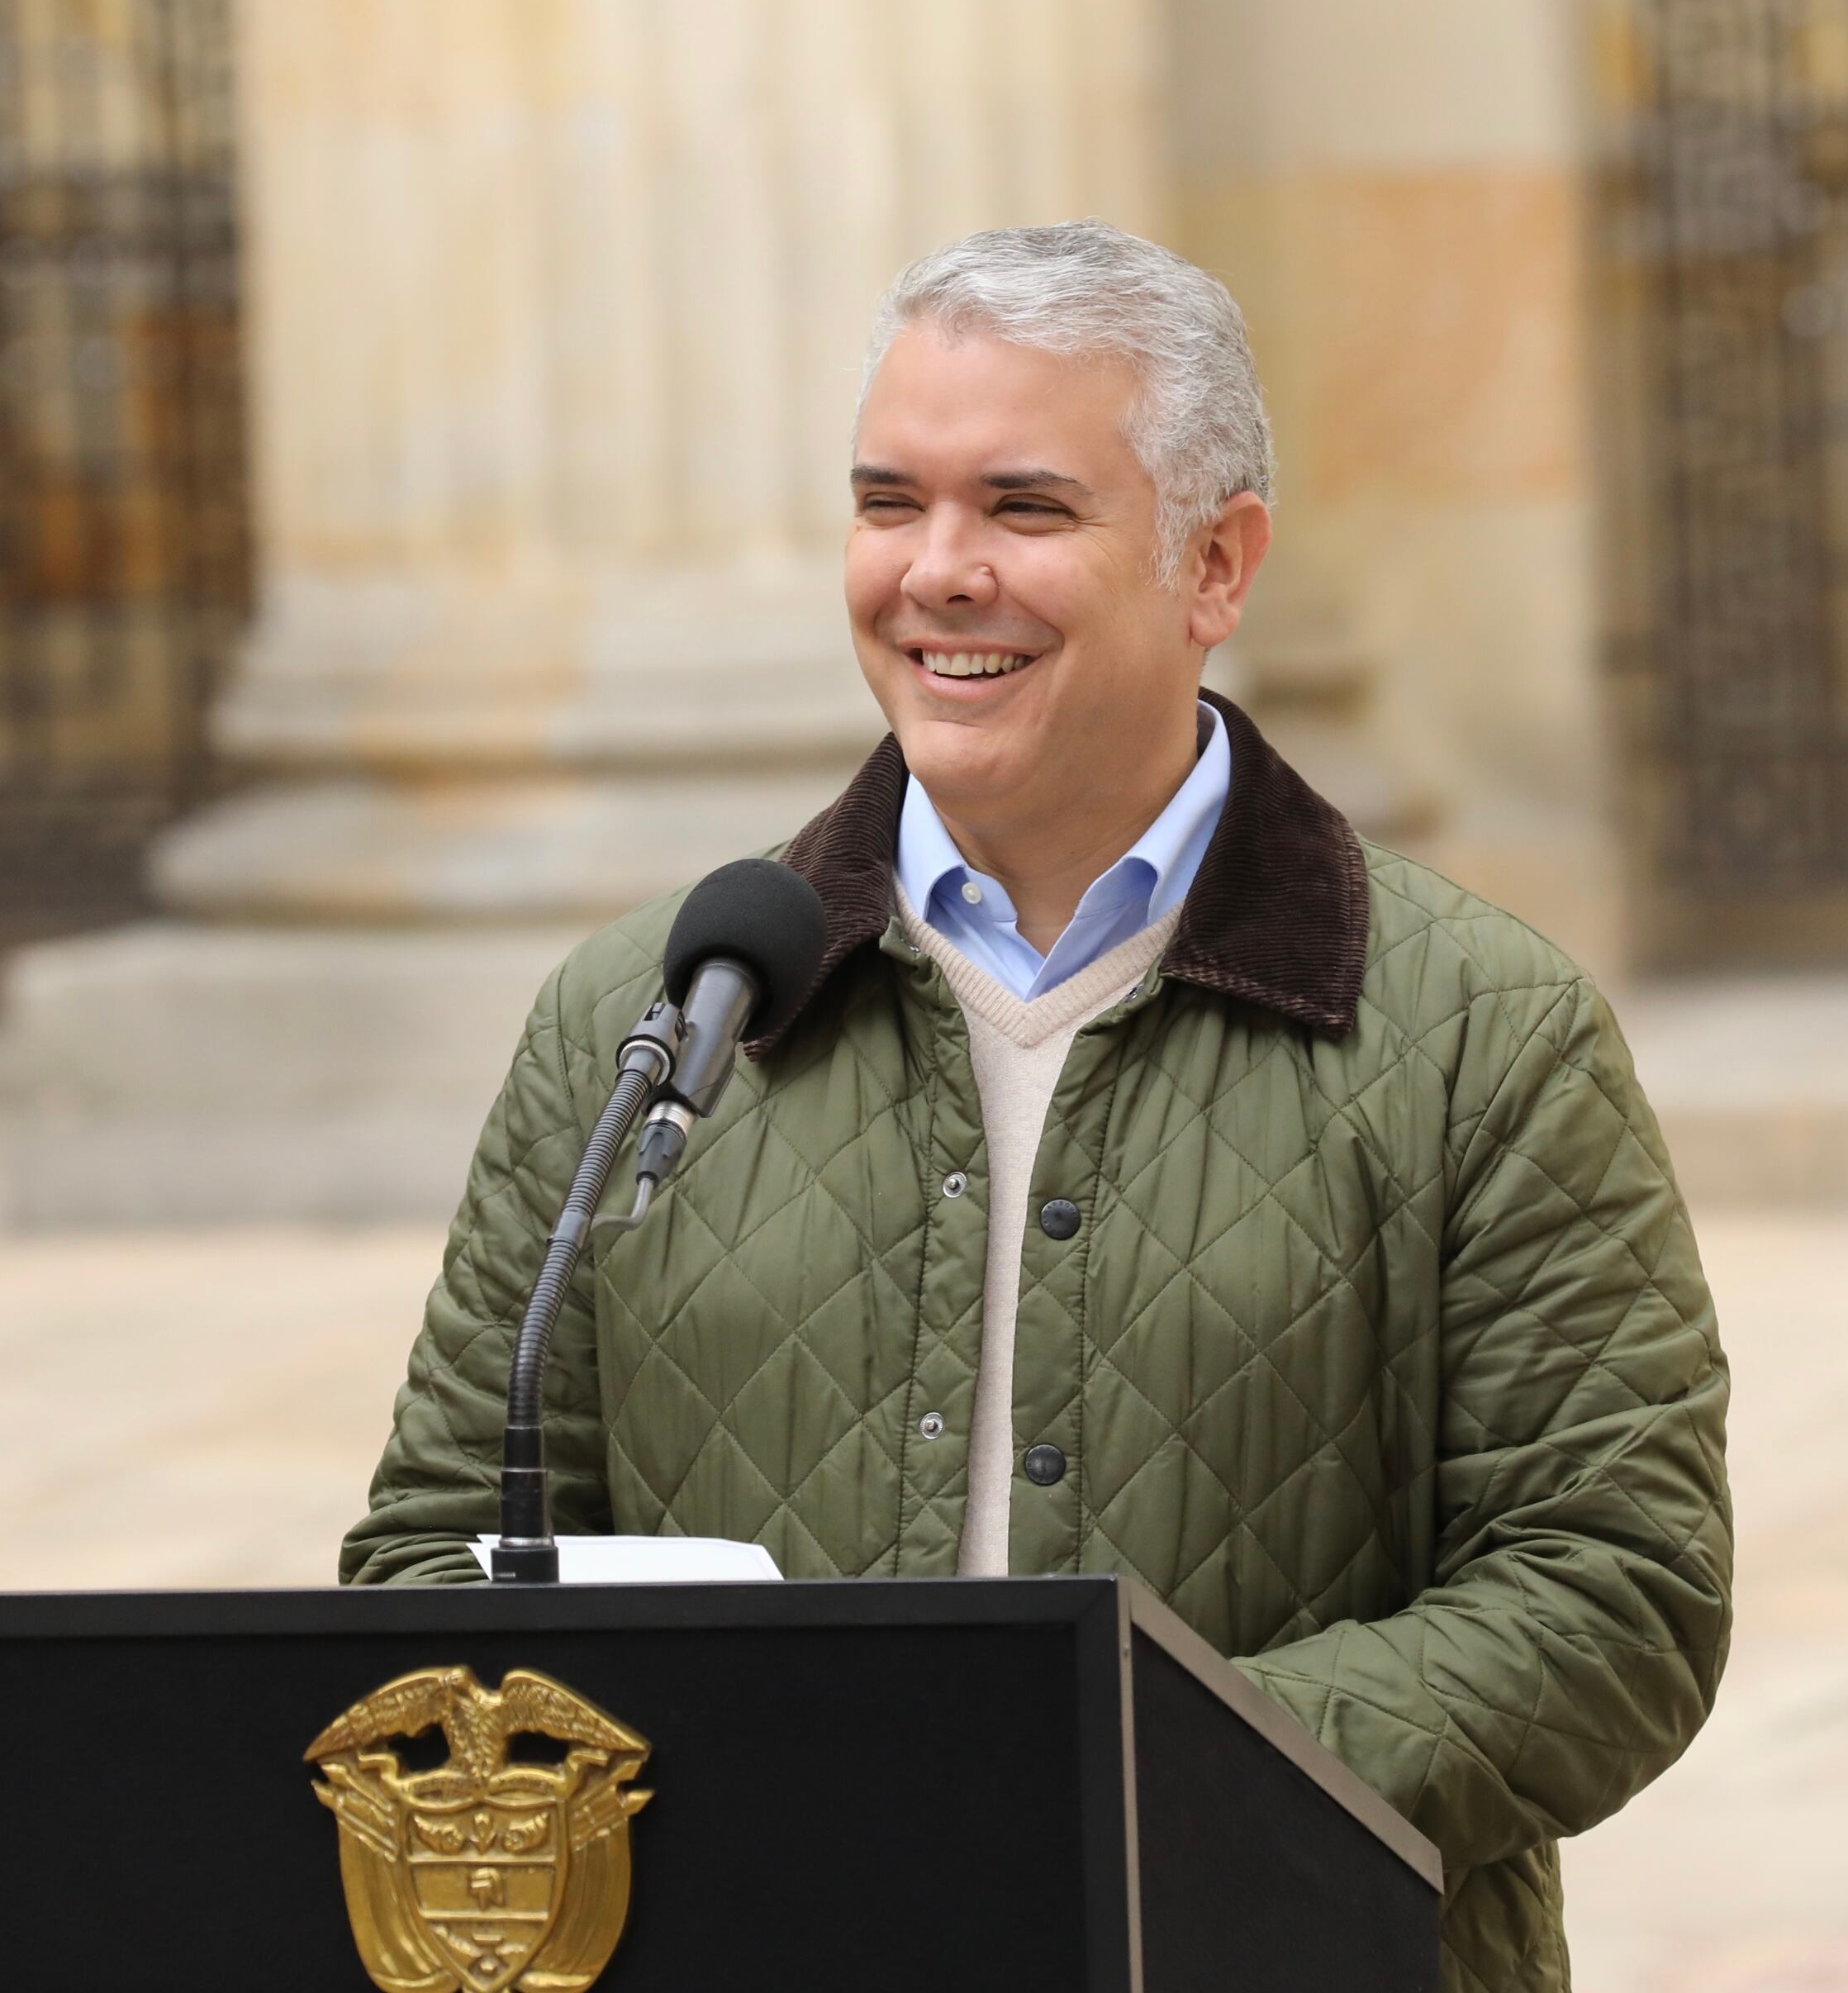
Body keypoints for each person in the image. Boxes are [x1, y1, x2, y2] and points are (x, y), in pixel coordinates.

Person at [341, 220, 1733, 1991]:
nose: (935, 573)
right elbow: (431, 1555)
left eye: (1023, 509)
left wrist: (1123, 1778)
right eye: (887, 504)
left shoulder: (1480, 1032)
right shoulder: (644, 1016)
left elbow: (1617, 1595)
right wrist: (728, 1808)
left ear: (1215, 566)